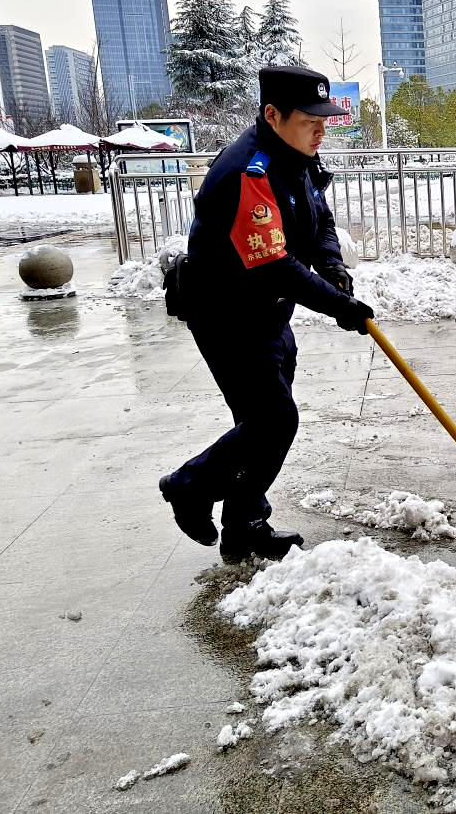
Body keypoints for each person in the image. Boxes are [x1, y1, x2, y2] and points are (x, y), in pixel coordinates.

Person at [159, 66, 375, 560]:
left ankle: (245, 525)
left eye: (326, 118)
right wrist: (338, 305)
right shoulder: (247, 172)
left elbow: (320, 220)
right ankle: (189, 486)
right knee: (273, 421)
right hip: (227, 314)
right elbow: (273, 264)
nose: (322, 130)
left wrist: (334, 268)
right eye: (311, 119)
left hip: (268, 313)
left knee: (259, 425)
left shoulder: (297, 156)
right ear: (273, 115)